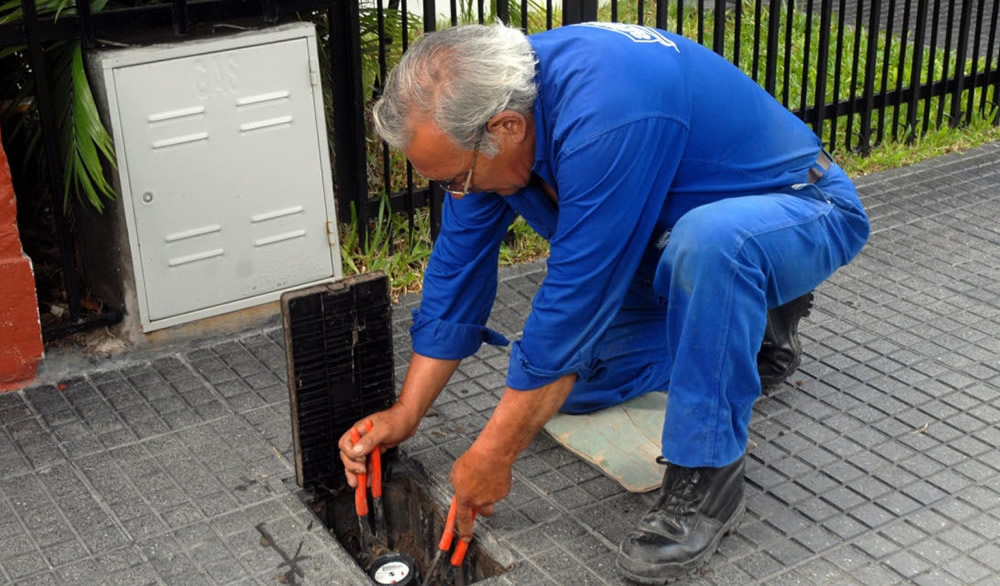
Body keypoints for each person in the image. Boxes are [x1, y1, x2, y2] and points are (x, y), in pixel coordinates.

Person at [339, 22, 870, 584]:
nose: (458, 192)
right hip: (660, 246)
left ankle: (709, 477)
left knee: (714, 246)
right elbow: (456, 271)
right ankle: (747, 324)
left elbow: (575, 301)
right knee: (572, 387)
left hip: (799, 208)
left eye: (457, 179)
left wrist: (494, 456)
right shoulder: (489, 110)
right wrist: (407, 413)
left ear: (507, 127)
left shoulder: (608, 114)